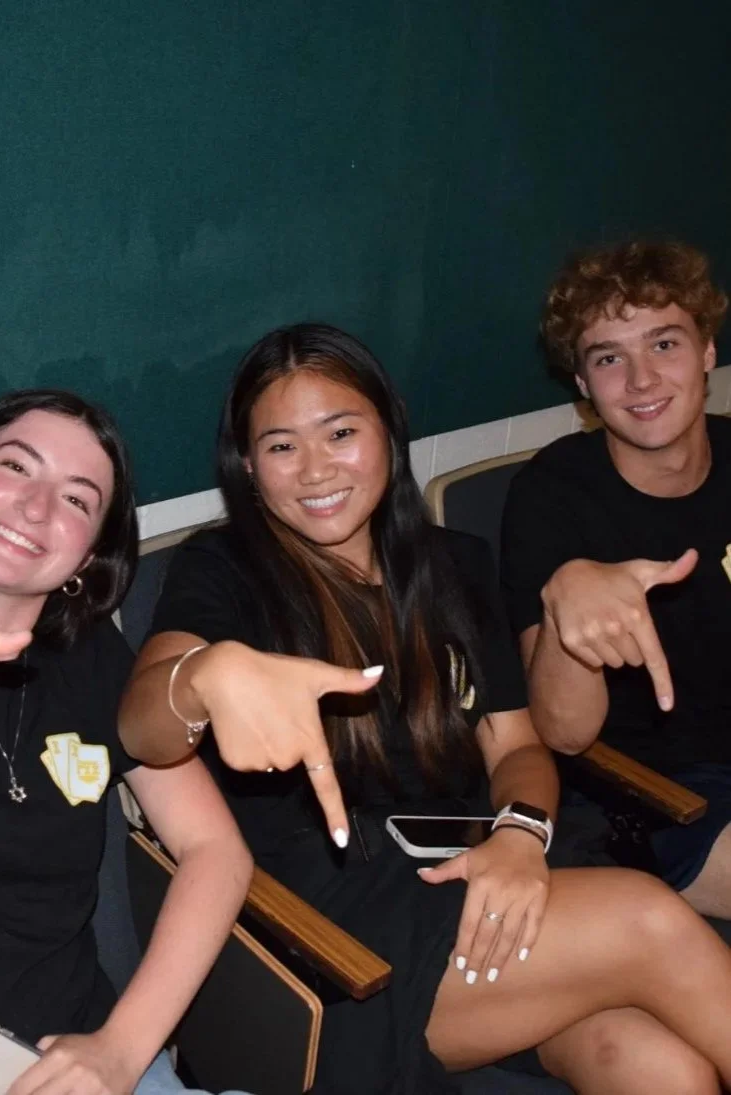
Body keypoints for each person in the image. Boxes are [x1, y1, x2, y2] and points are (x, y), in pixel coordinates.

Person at [120, 323, 731, 1095]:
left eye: (340, 433)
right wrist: (202, 676)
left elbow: (518, 746)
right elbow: (141, 724)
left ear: (387, 429)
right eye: (280, 446)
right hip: (337, 933)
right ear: (247, 464)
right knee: (649, 920)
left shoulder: (453, 565)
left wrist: (520, 833)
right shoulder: (224, 570)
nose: (315, 469)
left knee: (659, 1067)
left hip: (477, 872)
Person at [0, 390, 253, 1095]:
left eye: (76, 498)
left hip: (84, 1056)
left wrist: (123, 1047)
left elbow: (215, 850)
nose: (36, 508)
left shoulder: (90, 657)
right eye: (16, 465)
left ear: (87, 554)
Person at [500, 239, 731, 914]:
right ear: (582, 384)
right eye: (608, 358)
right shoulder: (552, 497)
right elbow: (565, 735)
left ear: (707, 351)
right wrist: (568, 598)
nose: (640, 380)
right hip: (660, 797)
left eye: (664, 344)